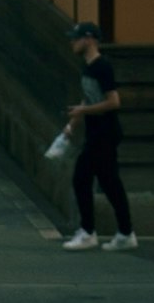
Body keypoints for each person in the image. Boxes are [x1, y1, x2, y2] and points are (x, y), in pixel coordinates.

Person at [58, 25, 136, 250]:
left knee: (81, 177)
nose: (72, 43)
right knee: (110, 183)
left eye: (76, 39)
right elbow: (88, 98)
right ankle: (125, 233)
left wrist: (83, 112)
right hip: (97, 132)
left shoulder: (103, 66)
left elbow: (113, 102)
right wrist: (72, 124)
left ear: (89, 39)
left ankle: (88, 232)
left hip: (105, 132)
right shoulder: (87, 67)